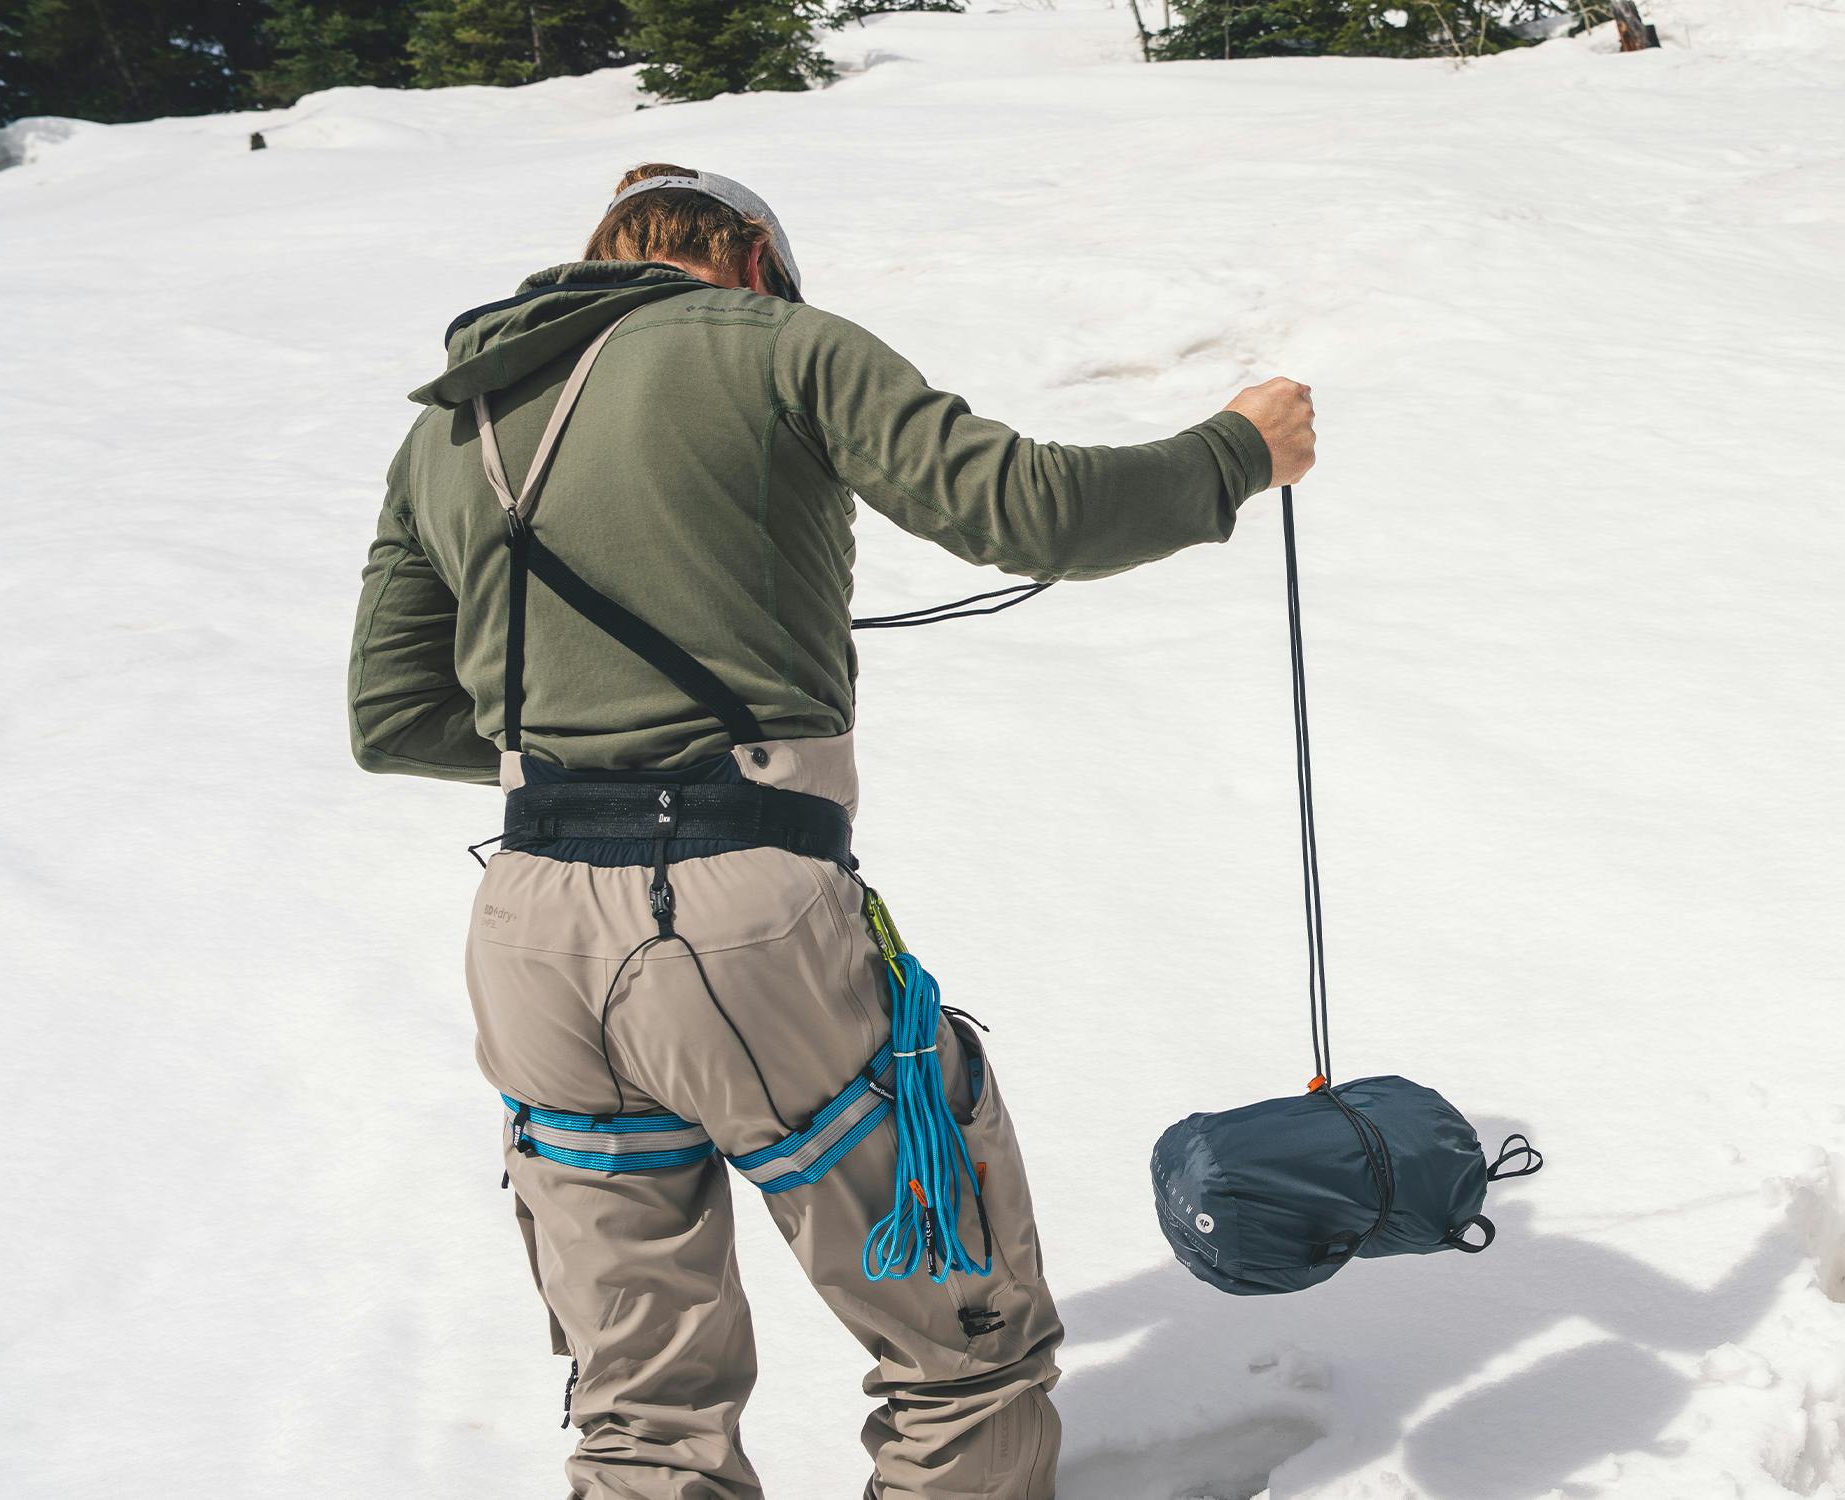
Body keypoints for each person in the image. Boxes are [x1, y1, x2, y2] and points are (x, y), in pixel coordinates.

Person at [348, 162, 1316, 1500]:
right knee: (957, 1359)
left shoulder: (447, 426)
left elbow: (393, 718)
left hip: (528, 935)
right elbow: (1027, 509)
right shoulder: (774, 345)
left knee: (638, 1417)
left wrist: (593, 740)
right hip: (741, 910)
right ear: (753, 262)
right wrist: (1238, 451)